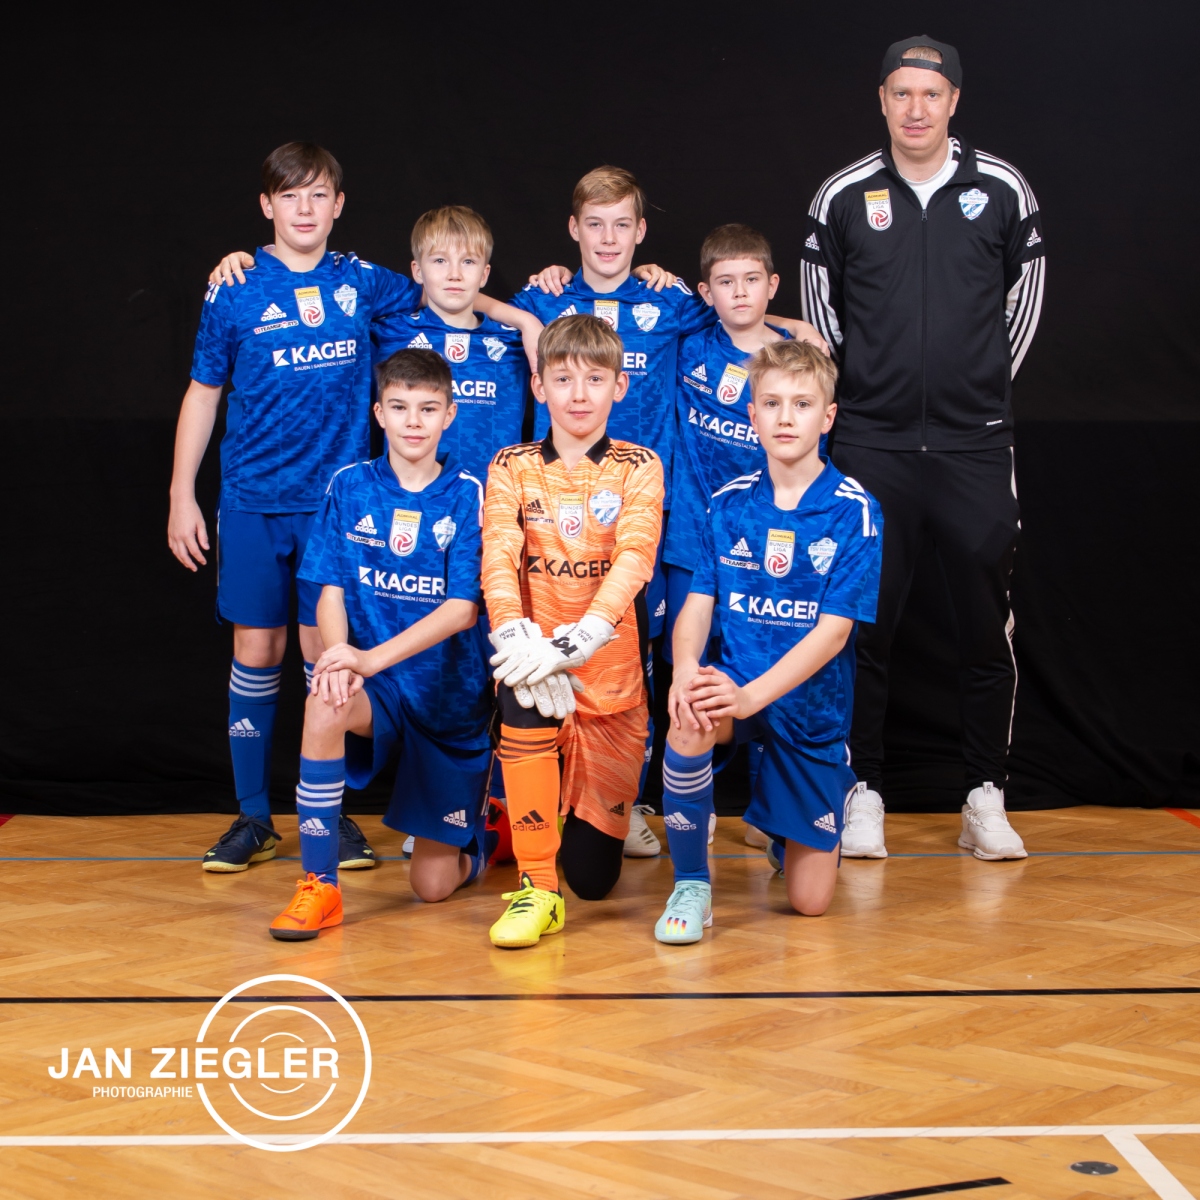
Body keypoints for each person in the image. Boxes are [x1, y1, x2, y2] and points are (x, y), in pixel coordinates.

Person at [514, 166, 827, 856]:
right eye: (595, 224)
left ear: (641, 231)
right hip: (558, 516)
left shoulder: (669, 301)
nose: (608, 238)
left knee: (649, 660)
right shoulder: (545, 296)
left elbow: (737, 312)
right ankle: (551, 803)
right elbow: (465, 305)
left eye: (622, 224)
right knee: (558, 655)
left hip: (650, 518)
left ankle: (644, 800)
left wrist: (790, 325)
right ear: (573, 229)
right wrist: (518, 309)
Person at [801, 36, 1045, 860]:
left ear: (953, 102)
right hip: (871, 444)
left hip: (975, 446)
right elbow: (823, 313)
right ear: (881, 100)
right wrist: (862, 394)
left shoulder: (1002, 188)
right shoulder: (843, 194)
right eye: (901, 93)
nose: (915, 109)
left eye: (930, 94)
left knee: (983, 627)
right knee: (860, 625)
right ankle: (860, 790)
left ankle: (985, 795)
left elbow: (1025, 298)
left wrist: (981, 391)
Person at [171, 142, 426, 874]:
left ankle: (329, 814)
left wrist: (533, 306)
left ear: (339, 205)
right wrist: (182, 493)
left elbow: (448, 293)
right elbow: (203, 394)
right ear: (267, 206)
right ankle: (254, 817)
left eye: (319, 195)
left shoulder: (362, 282)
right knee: (257, 652)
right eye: (290, 196)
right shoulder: (236, 286)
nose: (305, 209)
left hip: (333, 510)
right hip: (252, 501)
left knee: (326, 658)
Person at [658, 340, 882, 942]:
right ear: (752, 414)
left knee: (809, 904)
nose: (786, 417)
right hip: (737, 682)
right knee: (689, 716)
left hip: (809, 709)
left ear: (827, 418)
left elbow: (833, 634)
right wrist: (686, 669)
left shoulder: (855, 512)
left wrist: (751, 697)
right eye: (772, 403)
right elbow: (697, 605)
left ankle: (794, 826)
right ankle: (691, 884)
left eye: (802, 404)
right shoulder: (727, 504)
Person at [269, 348, 492, 940]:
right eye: (399, 407)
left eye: (427, 408)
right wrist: (341, 659)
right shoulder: (349, 486)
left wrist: (366, 659)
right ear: (379, 413)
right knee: (325, 699)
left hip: (448, 702)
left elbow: (462, 610)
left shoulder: (468, 494)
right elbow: (331, 589)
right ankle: (320, 885)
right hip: (381, 689)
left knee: (432, 887)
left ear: (449, 414)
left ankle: (485, 839)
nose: (413, 421)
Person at [482, 315, 663, 948]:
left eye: (594, 379)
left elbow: (635, 556)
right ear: (539, 387)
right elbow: (499, 552)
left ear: (620, 386)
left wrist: (583, 636)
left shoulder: (639, 465)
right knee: (520, 686)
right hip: (536, 658)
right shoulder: (511, 464)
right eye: (562, 379)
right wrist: (513, 632)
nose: (578, 395)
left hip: (607, 678)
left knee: (593, 878)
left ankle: (534, 818)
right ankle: (536, 887)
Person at [372, 206, 530, 485]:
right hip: (411, 501)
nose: (454, 274)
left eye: (468, 261)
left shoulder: (515, 342)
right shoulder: (389, 334)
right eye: (440, 260)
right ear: (417, 271)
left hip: (495, 503)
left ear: (484, 274)